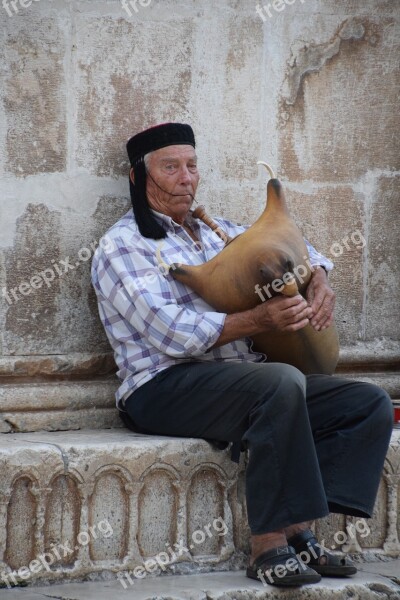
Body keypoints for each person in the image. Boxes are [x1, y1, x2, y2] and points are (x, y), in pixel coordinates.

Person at [91, 123, 393, 587]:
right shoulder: (123, 245)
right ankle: (268, 546)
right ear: (138, 178)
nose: (186, 178)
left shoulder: (220, 232)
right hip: (162, 388)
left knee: (365, 403)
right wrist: (258, 322)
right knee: (280, 381)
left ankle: (301, 531)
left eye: (191, 166)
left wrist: (319, 281)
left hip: (242, 386)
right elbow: (170, 333)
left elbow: (300, 250)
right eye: (170, 167)